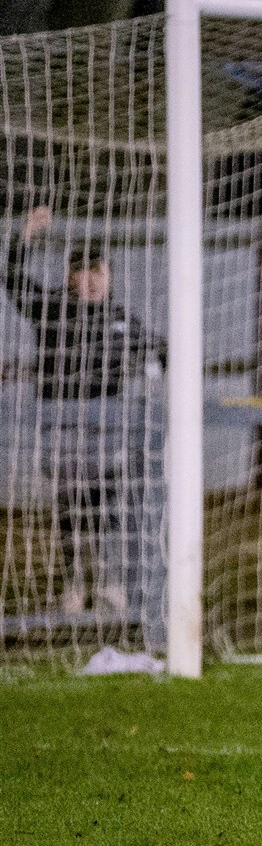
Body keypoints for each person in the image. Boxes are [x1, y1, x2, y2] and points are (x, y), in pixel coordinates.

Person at [5, 205, 165, 618]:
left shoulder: (121, 321)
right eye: (84, 271)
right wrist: (24, 236)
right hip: (61, 423)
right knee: (72, 505)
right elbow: (13, 281)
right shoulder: (52, 308)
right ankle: (75, 581)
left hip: (109, 427)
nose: (93, 279)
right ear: (71, 276)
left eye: (100, 271)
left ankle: (110, 580)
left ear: (109, 276)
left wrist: (159, 365)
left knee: (108, 504)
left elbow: (159, 351)